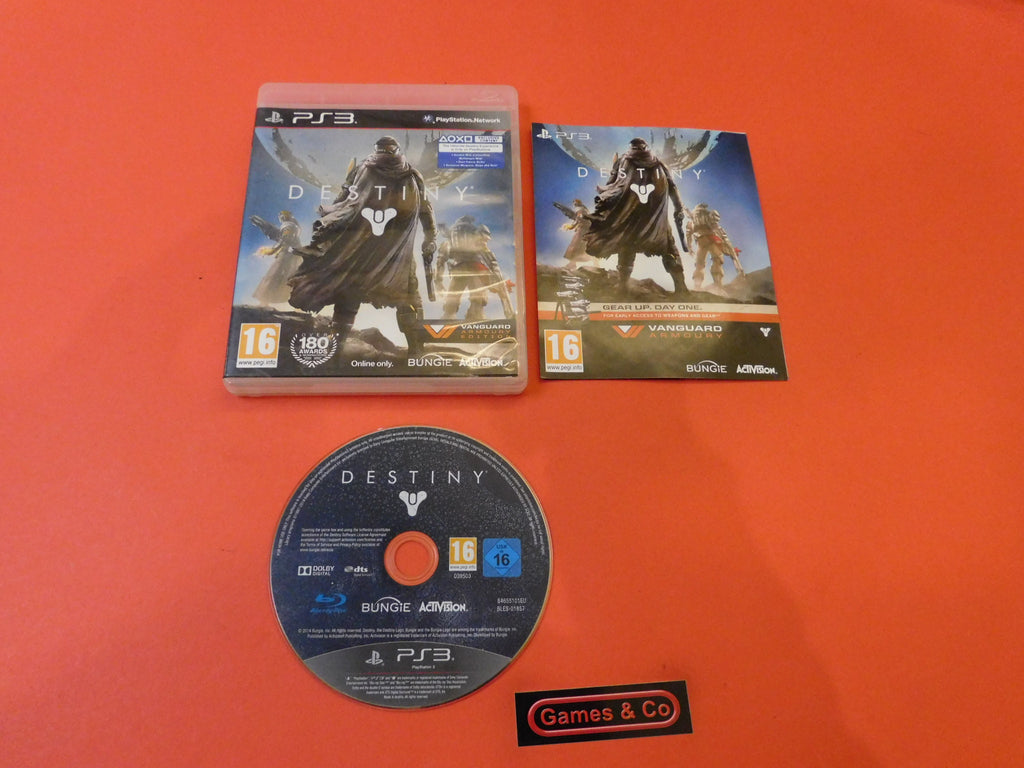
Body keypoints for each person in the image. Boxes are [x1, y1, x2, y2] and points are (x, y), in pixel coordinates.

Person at [288, 136, 437, 354]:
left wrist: (430, 237)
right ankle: (338, 350)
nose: (385, 153)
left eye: (388, 149)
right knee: (357, 293)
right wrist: (430, 237)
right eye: (383, 149)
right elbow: (345, 202)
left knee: (399, 295)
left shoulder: (406, 175)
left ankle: (416, 351)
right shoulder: (392, 173)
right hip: (370, 246)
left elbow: (424, 207)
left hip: (384, 249)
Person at [583, 137, 688, 297]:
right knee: (667, 247)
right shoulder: (659, 164)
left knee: (627, 245)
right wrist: (678, 208)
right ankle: (680, 288)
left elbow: (611, 185)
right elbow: (672, 186)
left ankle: (623, 287)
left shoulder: (624, 161)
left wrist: (606, 198)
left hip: (631, 216)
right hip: (655, 219)